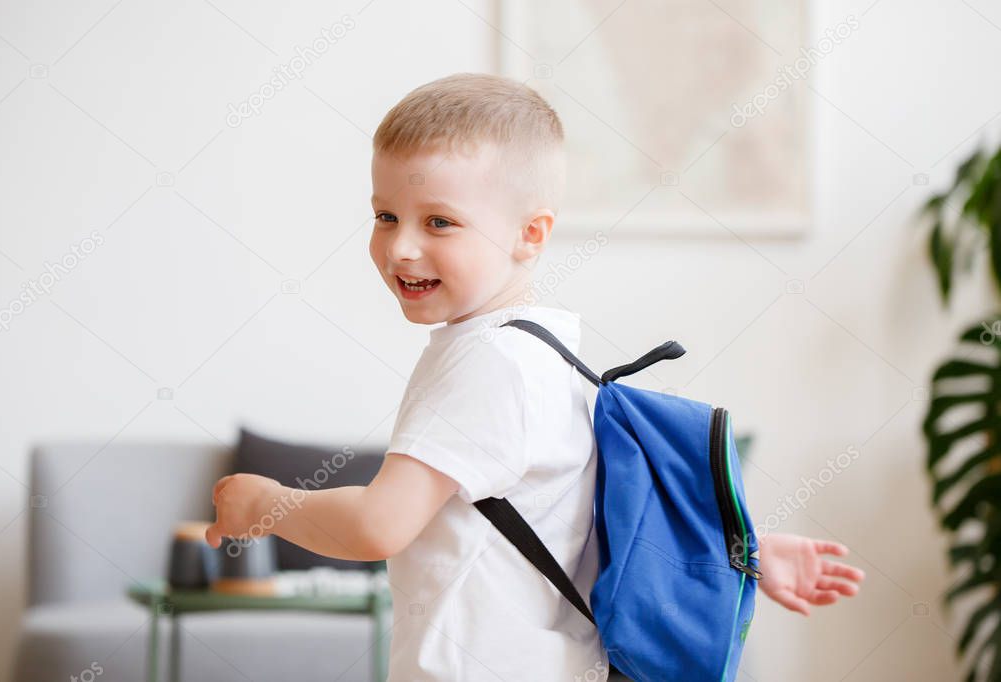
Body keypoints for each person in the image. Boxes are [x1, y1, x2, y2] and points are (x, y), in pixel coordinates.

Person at [205, 72, 866, 681]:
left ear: (530, 235)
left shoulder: (485, 363)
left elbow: (378, 524)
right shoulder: (546, 354)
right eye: (385, 215)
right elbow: (596, 522)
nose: (400, 246)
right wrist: (739, 553)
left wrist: (264, 505)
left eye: (439, 221)